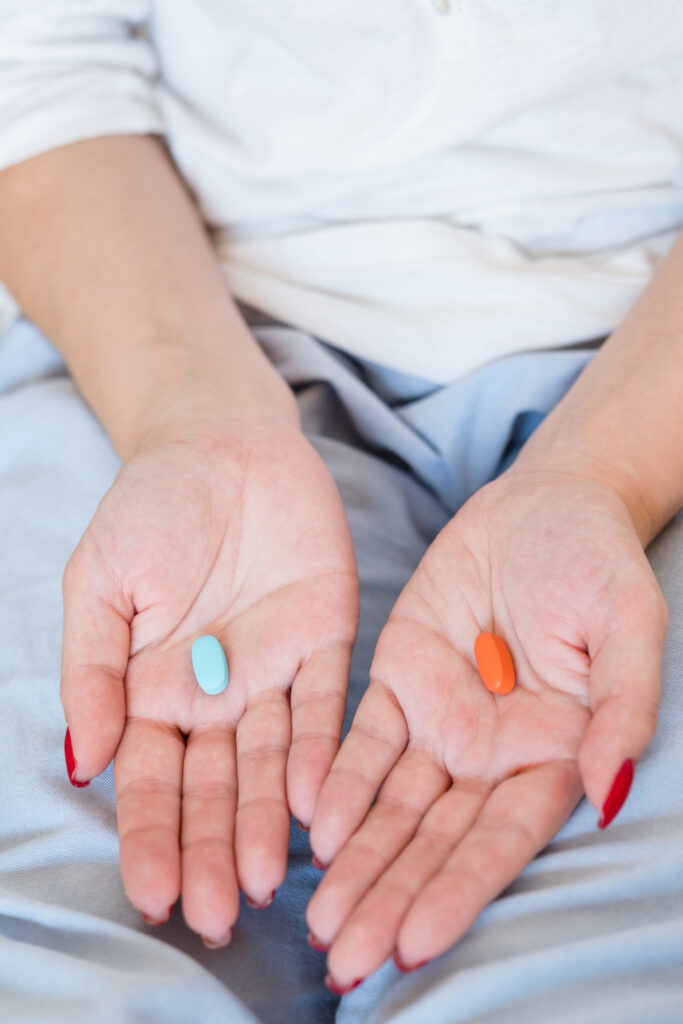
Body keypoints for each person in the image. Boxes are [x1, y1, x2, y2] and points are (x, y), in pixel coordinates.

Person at [0, 4, 682, 1023]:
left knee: (595, 963)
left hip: (651, 382)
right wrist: (189, 413)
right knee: (61, 929)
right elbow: (36, 68)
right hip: (178, 336)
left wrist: (606, 473)